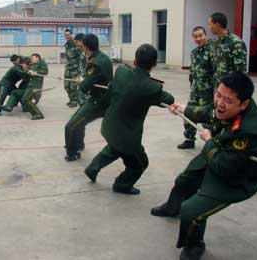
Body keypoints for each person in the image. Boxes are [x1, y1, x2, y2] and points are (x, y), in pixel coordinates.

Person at [151, 72, 257, 260]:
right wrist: (184, 108)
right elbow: (209, 112)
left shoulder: (249, 130)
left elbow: (223, 167)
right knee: (184, 180)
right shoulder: (226, 105)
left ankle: (194, 245)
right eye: (218, 95)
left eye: (227, 100)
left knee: (191, 211)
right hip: (220, 152)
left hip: (237, 176)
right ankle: (172, 207)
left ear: (244, 104)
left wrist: (209, 142)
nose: (220, 102)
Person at [84, 44, 174, 194]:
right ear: (155, 64)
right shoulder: (151, 88)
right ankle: (122, 185)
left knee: (114, 147)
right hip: (127, 135)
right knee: (140, 164)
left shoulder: (121, 71)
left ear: (134, 61)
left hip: (109, 125)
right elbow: (169, 99)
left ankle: (92, 168)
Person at [64, 34, 113, 161]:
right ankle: (78, 145)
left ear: (86, 47)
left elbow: (84, 87)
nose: (80, 48)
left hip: (99, 101)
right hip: (102, 98)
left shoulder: (95, 63)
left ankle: (72, 153)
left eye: (81, 46)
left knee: (71, 126)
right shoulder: (104, 57)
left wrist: (81, 81)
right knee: (77, 121)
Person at [178, 27, 214, 149]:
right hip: (195, 92)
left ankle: (211, 143)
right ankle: (189, 139)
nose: (198, 38)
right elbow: (193, 72)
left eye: (200, 35)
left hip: (208, 93)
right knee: (188, 114)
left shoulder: (213, 51)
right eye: (195, 36)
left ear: (206, 35)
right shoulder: (194, 52)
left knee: (207, 119)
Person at [2, 53, 48, 120]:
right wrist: (26, 69)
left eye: (32, 58)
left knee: (25, 99)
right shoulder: (32, 64)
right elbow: (27, 71)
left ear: (37, 58)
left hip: (35, 86)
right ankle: (8, 106)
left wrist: (36, 72)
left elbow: (45, 72)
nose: (31, 59)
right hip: (30, 85)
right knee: (15, 92)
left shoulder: (41, 63)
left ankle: (38, 114)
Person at [208, 12, 247, 86]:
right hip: (219, 87)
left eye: (210, 24)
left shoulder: (235, 42)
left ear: (217, 25)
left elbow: (240, 71)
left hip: (230, 88)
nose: (209, 27)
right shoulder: (216, 43)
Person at [64, 29, 82, 108]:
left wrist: (80, 69)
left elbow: (81, 57)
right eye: (65, 35)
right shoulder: (66, 45)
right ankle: (71, 99)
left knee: (73, 86)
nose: (67, 36)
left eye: (68, 35)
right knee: (66, 85)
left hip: (75, 69)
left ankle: (74, 101)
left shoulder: (76, 44)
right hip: (68, 68)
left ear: (71, 34)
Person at [74, 33, 89, 106]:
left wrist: (83, 76)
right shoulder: (81, 50)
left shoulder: (86, 52)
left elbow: (88, 66)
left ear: (81, 41)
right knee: (80, 95)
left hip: (85, 78)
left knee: (84, 96)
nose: (76, 44)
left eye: (77, 42)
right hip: (81, 76)